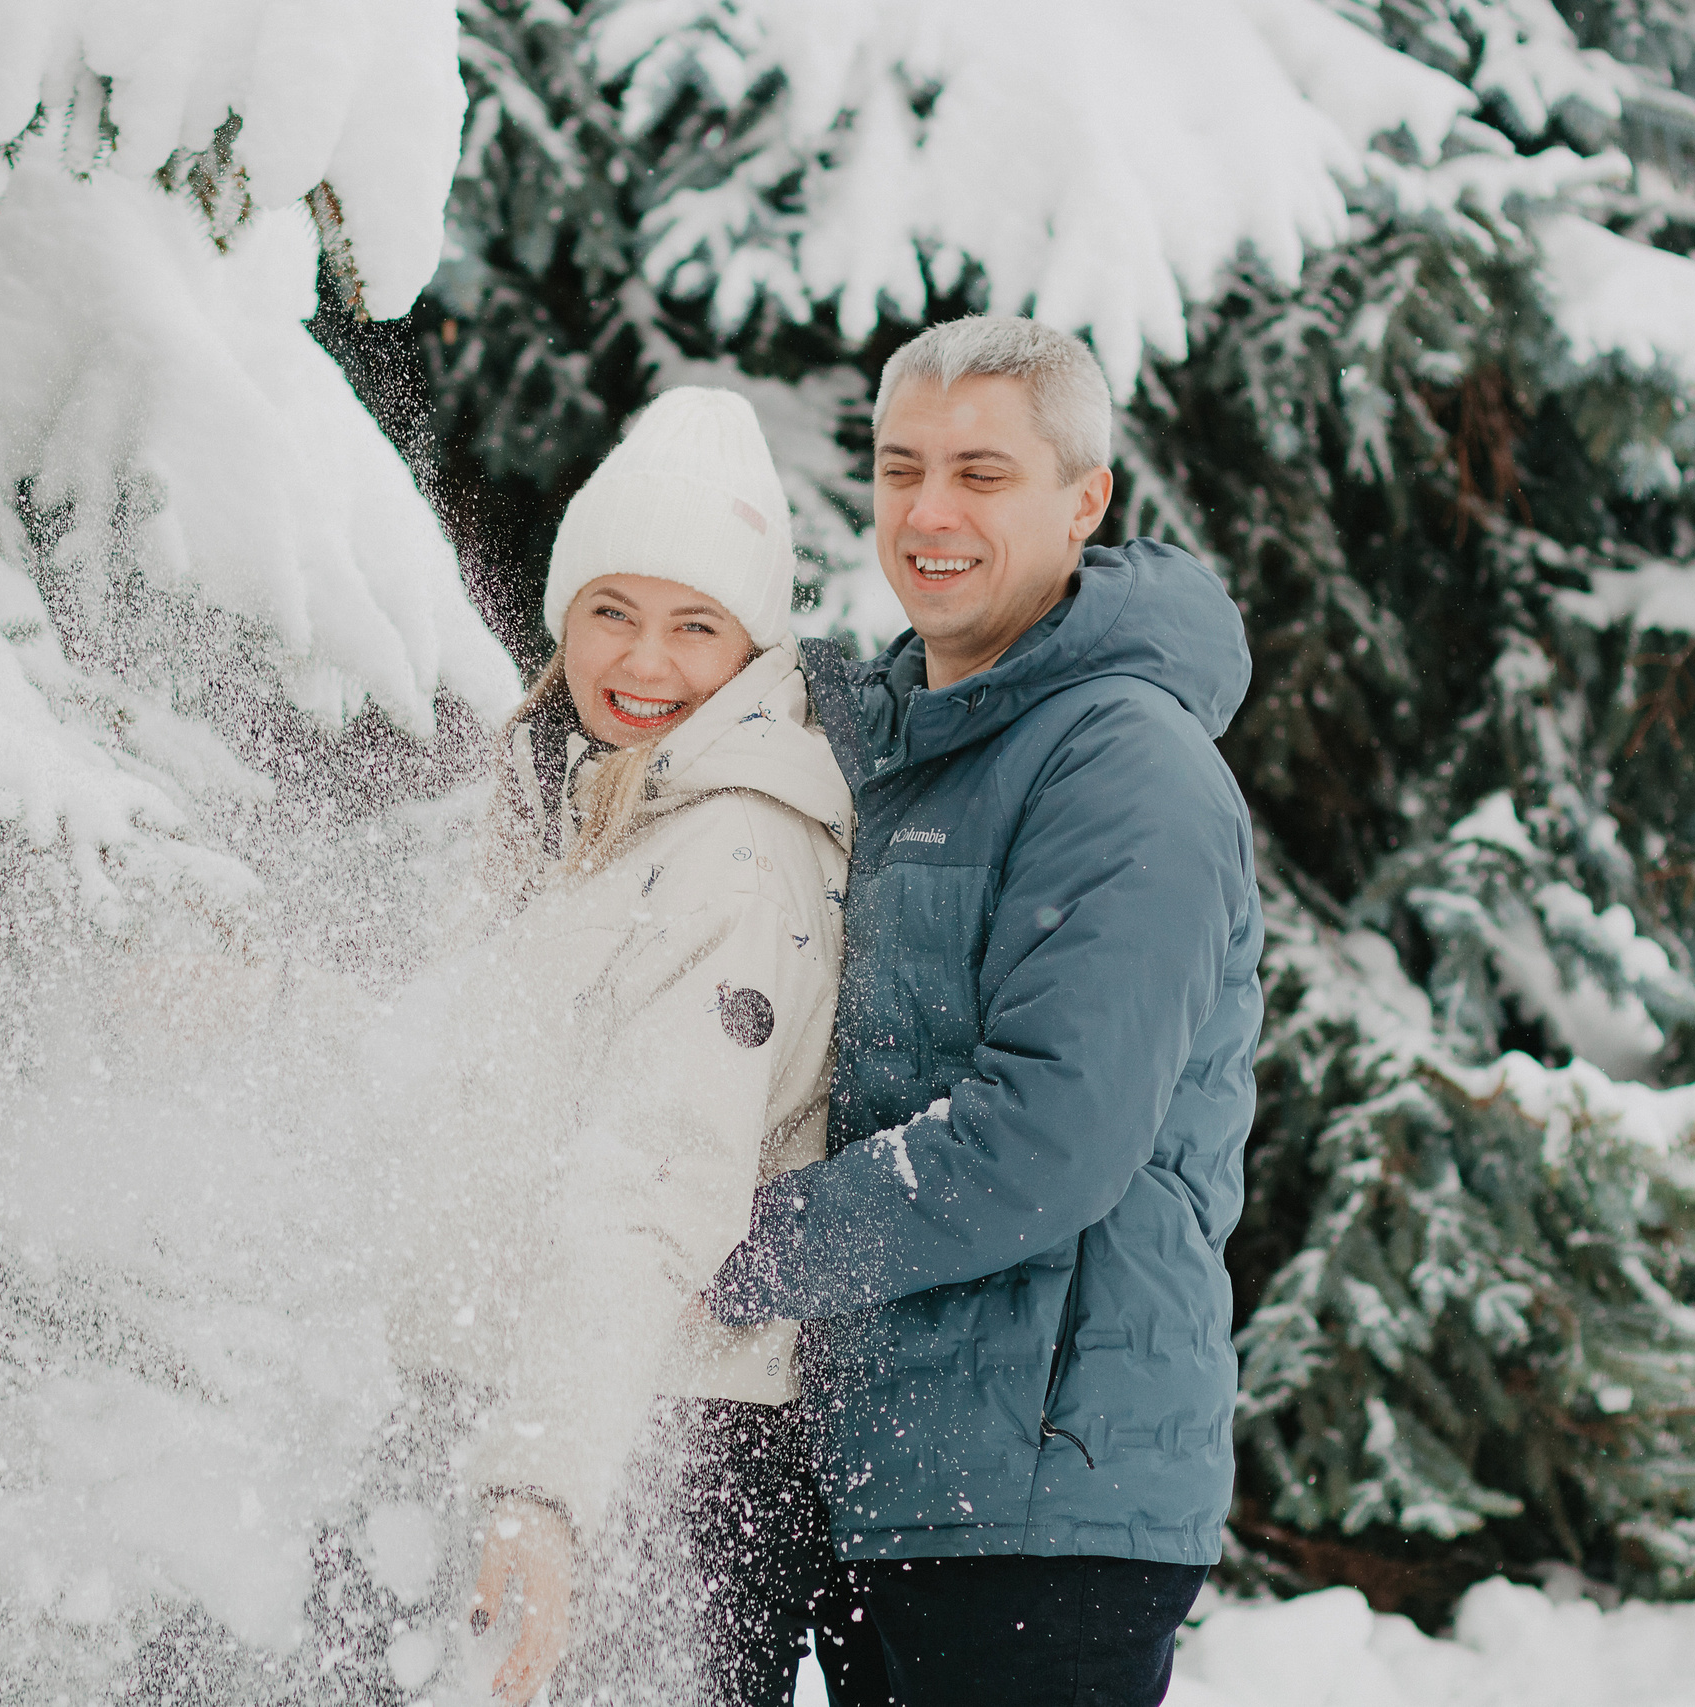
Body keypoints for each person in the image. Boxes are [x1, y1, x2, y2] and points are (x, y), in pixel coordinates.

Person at [707, 316, 1265, 1707]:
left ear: (1087, 500)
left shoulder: (1124, 766)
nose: (930, 513)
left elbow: (1047, 1139)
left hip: (1042, 1508)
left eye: (982, 473)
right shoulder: (904, 751)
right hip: (887, 1478)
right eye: (902, 470)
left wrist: (728, 1244)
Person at [378, 388, 854, 1706]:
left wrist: (540, 1486)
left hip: (658, 1447)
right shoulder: (580, 805)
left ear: (752, 648)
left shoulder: (733, 853)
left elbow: (649, 1182)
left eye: (694, 625)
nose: (642, 661)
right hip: (513, 1407)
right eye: (611, 612)